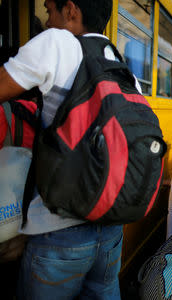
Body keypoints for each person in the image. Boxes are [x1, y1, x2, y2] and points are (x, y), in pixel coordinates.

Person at [0, 1, 126, 299]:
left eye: (49, 11)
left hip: (60, 230)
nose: (46, 22)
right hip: (111, 228)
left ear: (70, 10)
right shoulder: (117, 61)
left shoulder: (57, 41)